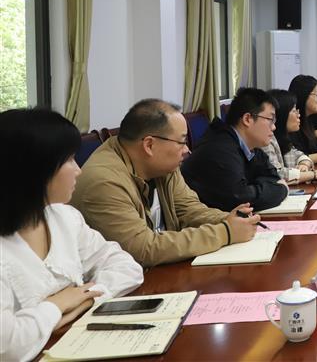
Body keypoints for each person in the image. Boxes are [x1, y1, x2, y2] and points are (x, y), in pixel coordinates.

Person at [1, 108, 144, 362]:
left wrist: (84, 300)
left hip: (76, 343)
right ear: (35, 170)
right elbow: (8, 347)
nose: (78, 170)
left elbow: (127, 267)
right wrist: (57, 304)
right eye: (68, 160)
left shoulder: (63, 216)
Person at [71, 99, 259, 268]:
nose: (187, 150)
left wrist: (229, 219)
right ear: (149, 145)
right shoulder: (104, 182)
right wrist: (225, 232)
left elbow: (189, 209)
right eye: (182, 142)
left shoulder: (162, 167)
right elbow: (142, 249)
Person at [182, 88, 288, 212]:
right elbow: (239, 199)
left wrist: (255, 188)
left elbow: (273, 177)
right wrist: (281, 190)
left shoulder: (250, 147)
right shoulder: (220, 149)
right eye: (270, 120)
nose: (274, 127)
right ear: (247, 119)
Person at [261, 89, 317, 183]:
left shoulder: (283, 137)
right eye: (294, 111)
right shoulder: (267, 140)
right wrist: (314, 174)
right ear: (282, 114)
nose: (298, 115)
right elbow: (277, 174)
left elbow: (299, 155)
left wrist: (304, 164)